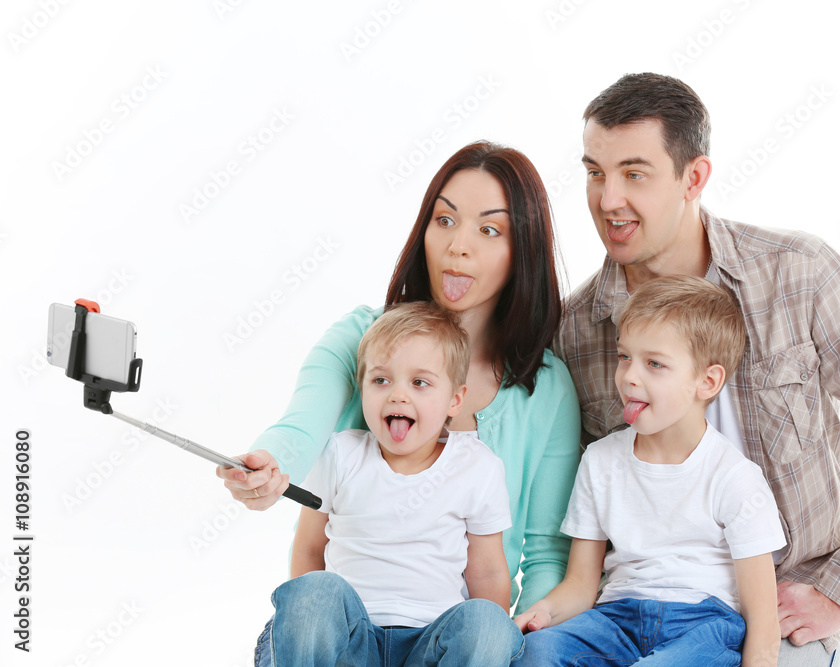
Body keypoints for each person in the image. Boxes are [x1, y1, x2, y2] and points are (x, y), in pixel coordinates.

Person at [555, 73, 840, 664]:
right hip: (650, 606)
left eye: (634, 173)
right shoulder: (577, 328)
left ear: (694, 178)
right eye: (594, 172)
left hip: (790, 593)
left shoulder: (800, 274)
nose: (608, 198)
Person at [218, 141, 582, 613]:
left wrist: (520, 643)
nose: (458, 246)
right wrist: (266, 466)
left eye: (489, 229)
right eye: (444, 220)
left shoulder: (546, 387)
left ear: (523, 251)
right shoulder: (357, 338)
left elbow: (548, 554)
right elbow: (299, 430)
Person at [515, 276, 786, 666]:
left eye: (654, 364)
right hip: (615, 619)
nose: (629, 377)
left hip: (703, 626)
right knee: (537, 653)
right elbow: (580, 585)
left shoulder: (735, 478)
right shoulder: (600, 460)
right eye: (625, 356)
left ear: (707, 382)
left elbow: (762, 619)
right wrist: (544, 613)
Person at [255, 301, 523, 666]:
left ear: (454, 400)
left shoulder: (478, 467)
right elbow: (308, 549)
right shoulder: (340, 454)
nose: (398, 394)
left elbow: (488, 571)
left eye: (420, 382)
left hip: (429, 645)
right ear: (362, 389)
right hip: (351, 642)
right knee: (314, 591)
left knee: (490, 623)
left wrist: (485, 640)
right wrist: (308, 627)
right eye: (380, 380)